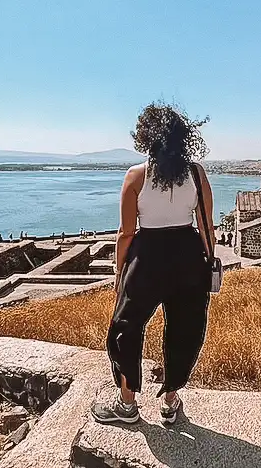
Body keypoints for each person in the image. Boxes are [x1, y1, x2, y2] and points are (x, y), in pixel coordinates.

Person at [91, 102, 213, 425]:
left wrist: (120, 272)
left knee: (126, 328)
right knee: (185, 329)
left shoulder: (136, 176)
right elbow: (206, 227)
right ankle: (170, 401)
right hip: (188, 257)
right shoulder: (196, 174)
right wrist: (208, 264)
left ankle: (127, 404)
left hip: (147, 258)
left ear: (146, 137)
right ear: (183, 138)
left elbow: (125, 233)